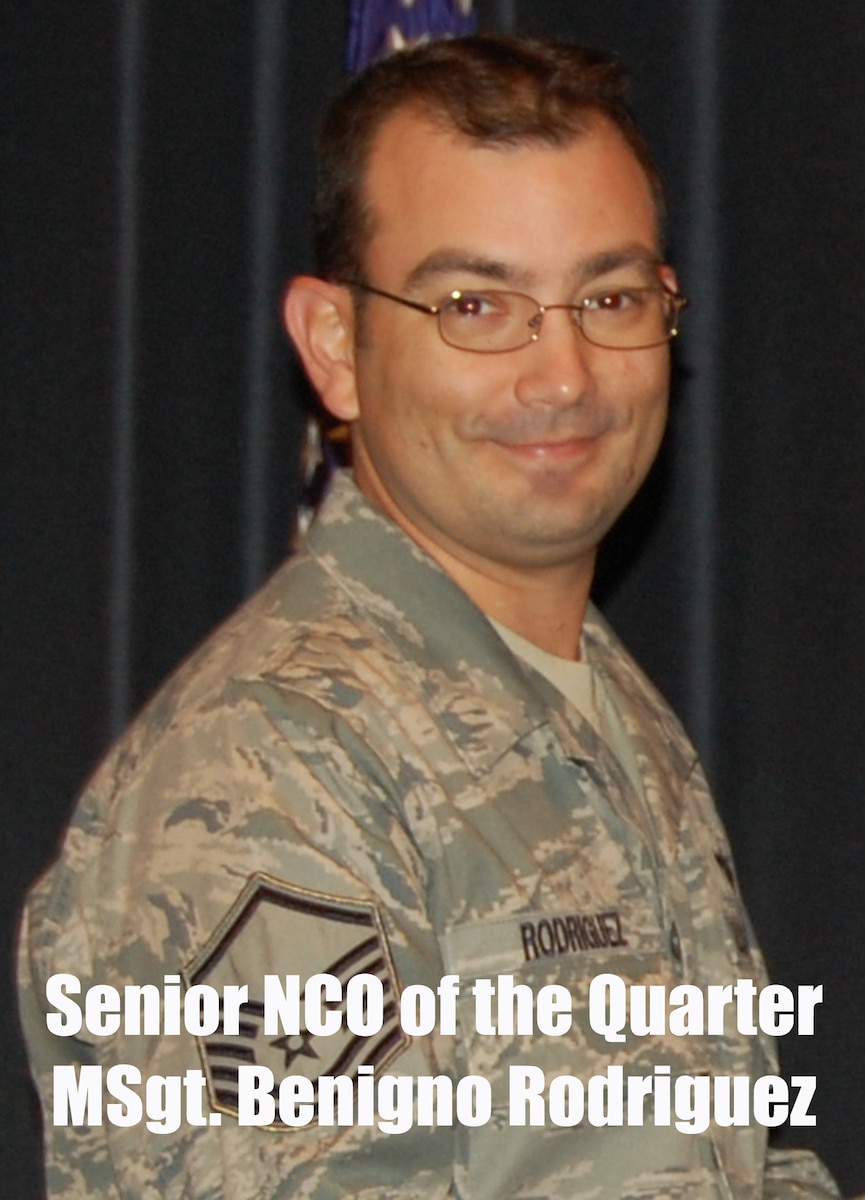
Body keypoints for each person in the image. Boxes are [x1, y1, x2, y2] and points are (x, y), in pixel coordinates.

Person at [19, 34, 842, 1200]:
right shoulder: (267, 773)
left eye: (608, 297)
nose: (563, 373)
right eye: (476, 305)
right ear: (336, 347)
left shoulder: (602, 714)